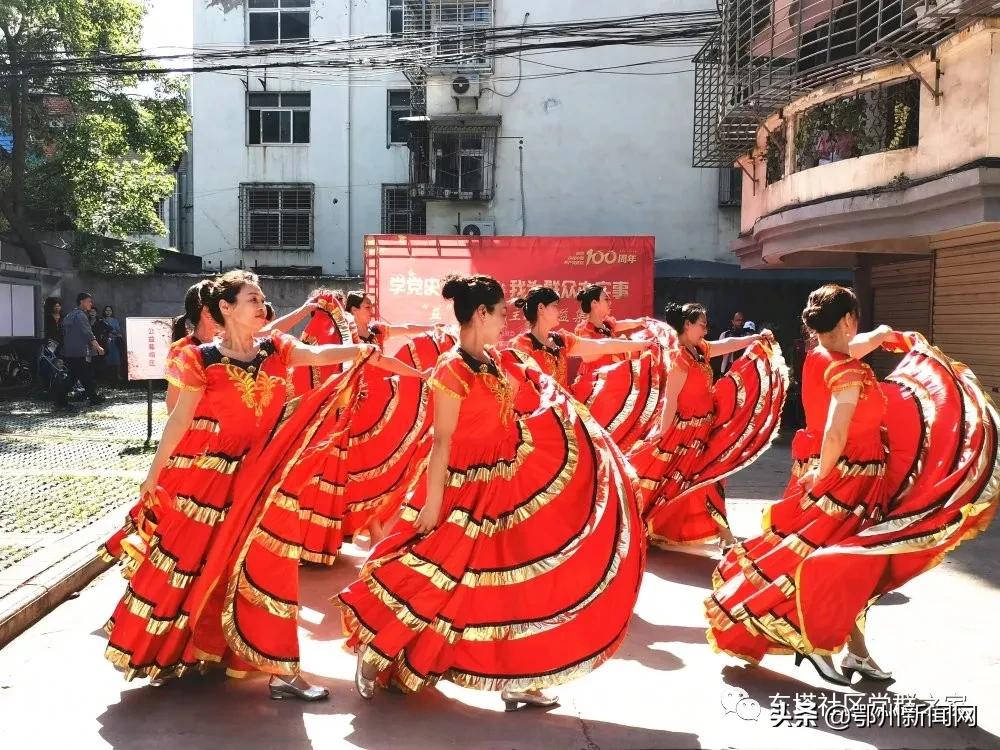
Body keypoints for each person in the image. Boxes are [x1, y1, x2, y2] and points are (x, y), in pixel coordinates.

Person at [337, 274, 646, 711]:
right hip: (460, 491)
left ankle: (518, 678)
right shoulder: (452, 369)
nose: (506, 320)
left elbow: (535, 401)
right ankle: (375, 653)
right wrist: (432, 502)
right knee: (429, 578)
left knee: (512, 584)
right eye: (501, 312)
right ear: (480, 313)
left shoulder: (500, 360)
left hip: (506, 484)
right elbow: (441, 441)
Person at [102, 270, 395, 700]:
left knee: (273, 564)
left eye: (262, 299)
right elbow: (179, 419)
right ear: (226, 308)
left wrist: (363, 349)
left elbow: (320, 355)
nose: (261, 306)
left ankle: (282, 670)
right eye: (252, 299)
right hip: (215, 478)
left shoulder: (276, 348)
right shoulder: (200, 358)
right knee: (198, 563)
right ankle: (180, 651)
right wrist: (154, 473)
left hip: (269, 474)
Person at [705, 284, 999, 686]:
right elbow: (835, 432)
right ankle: (818, 641)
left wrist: (882, 335)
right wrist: (822, 476)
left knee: (850, 564)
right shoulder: (845, 370)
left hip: (842, 479)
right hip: (845, 483)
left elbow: (855, 347)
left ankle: (855, 651)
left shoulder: (821, 355)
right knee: (843, 564)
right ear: (846, 320)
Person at [629, 302, 787, 550]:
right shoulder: (680, 357)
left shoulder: (699, 349)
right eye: (701, 323)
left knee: (709, 477)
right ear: (687, 325)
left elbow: (726, 345)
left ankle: (721, 532)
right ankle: (639, 523)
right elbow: (671, 398)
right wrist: (662, 433)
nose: (705, 328)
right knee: (673, 481)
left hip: (703, 428)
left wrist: (754, 338)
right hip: (683, 432)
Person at [570, 283, 673, 450]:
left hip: (615, 383)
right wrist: (618, 345)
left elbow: (624, 324)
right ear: (594, 303)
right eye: (606, 299)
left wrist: (640, 322)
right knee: (598, 423)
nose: (610, 302)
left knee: (619, 419)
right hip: (596, 385)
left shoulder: (607, 325)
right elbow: (588, 357)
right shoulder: (585, 330)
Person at [53, 292, 105, 411]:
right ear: (82, 301)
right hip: (79, 352)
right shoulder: (81, 315)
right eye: (89, 301)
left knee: (83, 376)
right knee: (74, 377)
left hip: (70, 352)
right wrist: (98, 347)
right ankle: (60, 400)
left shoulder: (70, 315)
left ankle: (93, 397)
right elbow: (88, 333)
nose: (91, 304)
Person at [99, 306, 125, 380]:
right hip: (105, 342)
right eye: (106, 310)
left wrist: (113, 333)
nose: (108, 312)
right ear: (104, 311)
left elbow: (119, 332)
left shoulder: (115, 320)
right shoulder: (102, 320)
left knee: (117, 359)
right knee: (107, 359)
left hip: (114, 342)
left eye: (109, 310)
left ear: (112, 312)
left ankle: (118, 375)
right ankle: (107, 376)